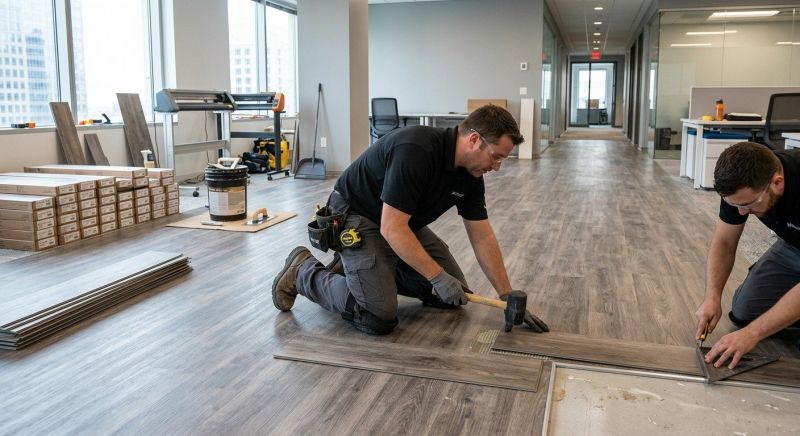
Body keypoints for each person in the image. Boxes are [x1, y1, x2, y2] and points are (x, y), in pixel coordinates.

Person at [271, 105, 549, 335]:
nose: (497, 167)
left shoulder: (472, 175)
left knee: (452, 295)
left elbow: (482, 235)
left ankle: (361, 270)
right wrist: (437, 275)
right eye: (496, 157)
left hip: (398, 225)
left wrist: (505, 295)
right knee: (377, 316)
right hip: (357, 216)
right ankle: (303, 271)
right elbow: (391, 228)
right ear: (474, 140)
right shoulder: (416, 149)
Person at [696, 141, 800, 369]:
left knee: (755, 327)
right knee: (744, 312)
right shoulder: (741, 190)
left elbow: (752, 334)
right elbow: (724, 241)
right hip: (793, 246)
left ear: (777, 183)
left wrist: (752, 334)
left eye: (749, 205)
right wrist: (712, 297)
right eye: (735, 205)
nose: (742, 212)